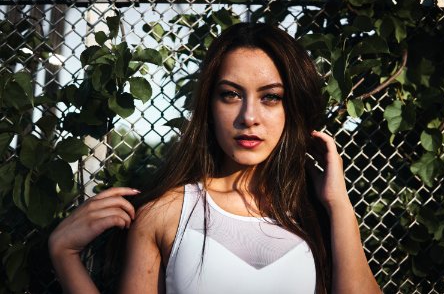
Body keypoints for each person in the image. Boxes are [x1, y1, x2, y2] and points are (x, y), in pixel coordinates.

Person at [48, 22, 381, 294]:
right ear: (209, 105)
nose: (249, 116)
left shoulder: (312, 214)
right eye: (231, 94)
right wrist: (64, 253)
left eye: (271, 97)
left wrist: (338, 205)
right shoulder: (166, 213)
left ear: (291, 108)